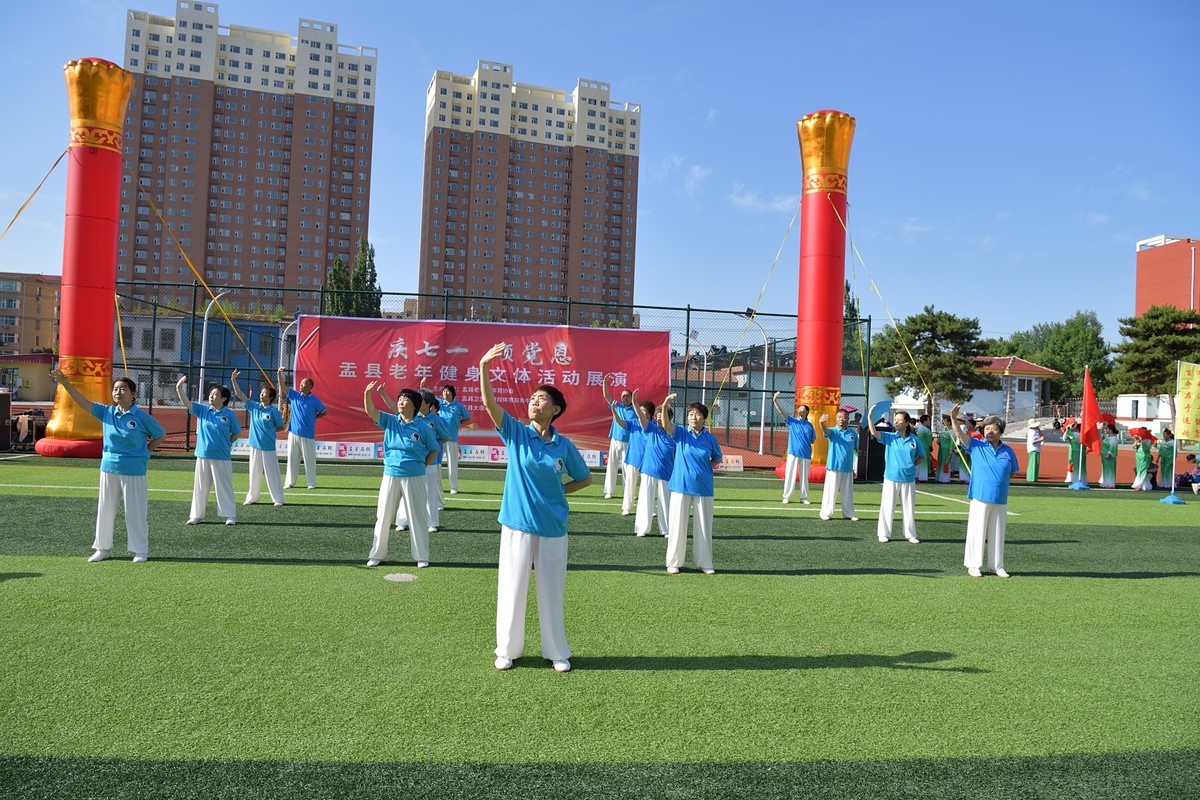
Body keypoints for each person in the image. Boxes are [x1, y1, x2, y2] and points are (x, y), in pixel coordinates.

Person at [479, 342, 591, 673]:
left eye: (541, 399)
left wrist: (559, 492)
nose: (533, 403)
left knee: (551, 591)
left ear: (556, 409)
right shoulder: (515, 432)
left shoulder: (563, 445)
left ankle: (556, 651)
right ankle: (507, 650)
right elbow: (489, 403)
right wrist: (485, 365)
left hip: (553, 527)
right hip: (516, 524)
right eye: (531, 399)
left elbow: (584, 479)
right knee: (512, 588)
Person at [50, 370, 166, 562]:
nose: (118, 392)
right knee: (105, 510)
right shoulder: (107, 412)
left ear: (133, 394)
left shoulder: (141, 417)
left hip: (133, 469)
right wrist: (66, 384)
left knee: (135, 511)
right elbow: (83, 403)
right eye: (115, 389)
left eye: (123, 389)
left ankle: (140, 550)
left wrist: (146, 452)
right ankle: (102, 549)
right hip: (109, 468)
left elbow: (161, 435)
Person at [363, 383, 437, 568]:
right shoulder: (390, 420)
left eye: (405, 399)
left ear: (415, 405)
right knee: (384, 516)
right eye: (399, 399)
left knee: (417, 516)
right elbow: (371, 411)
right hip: (390, 474)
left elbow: (434, 449)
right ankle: (377, 554)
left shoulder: (422, 426)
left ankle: (422, 556)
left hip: (415, 476)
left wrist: (421, 465)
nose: (401, 402)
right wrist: (367, 393)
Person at [948, 405, 1019, 578]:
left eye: (994, 429)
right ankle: (974, 565)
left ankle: (997, 566)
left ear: (1000, 432)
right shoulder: (976, 445)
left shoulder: (1008, 450)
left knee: (997, 532)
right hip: (980, 496)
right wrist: (953, 418)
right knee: (977, 531)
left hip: (1000, 498)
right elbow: (959, 435)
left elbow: (1012, 472)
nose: (989, 432)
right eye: (987, 429)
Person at [660, 393, 723, 574]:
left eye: (696, 414)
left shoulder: (710, 439)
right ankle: (673, 562)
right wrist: (665, 405)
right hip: (680, 485)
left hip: (703, 487)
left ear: (704, 418)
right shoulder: (680, 432)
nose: (692, 417)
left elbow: (716, 458)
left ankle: (705, 563)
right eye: (690, 414)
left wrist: (704, 469)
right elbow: (666, 424)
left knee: (703, 526)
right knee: (677, 525)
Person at [175, 376, 241, 526]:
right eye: (211, 394)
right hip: (203, 455)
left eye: (215, 394)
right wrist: (179, 388)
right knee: (200, 487)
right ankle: (196, 515)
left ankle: (229, 515)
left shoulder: (229, 414)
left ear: (224, 398)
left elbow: (236, 433)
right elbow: (187, 403)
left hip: (221, 456)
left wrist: (226, 443)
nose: (211, 396)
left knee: (224, 486)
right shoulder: (203, 410)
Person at [393, 389, 451, 533]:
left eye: (421, 401)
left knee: (430, 493)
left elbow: (446, 436)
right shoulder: (412, 417)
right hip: (413, 461)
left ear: (429, 404)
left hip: (430, 462)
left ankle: (431, 523)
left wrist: (432, 443)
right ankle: (402, 521)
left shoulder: (435, 420)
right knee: (406, 491)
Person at [868, 405, 926, 544]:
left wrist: (911, 465)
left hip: (908, 478)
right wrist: (870, 418)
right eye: (895, 419)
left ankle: (910, 534)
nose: (896, 422)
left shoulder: (914, 440)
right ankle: (884, 533)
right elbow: (875, 433)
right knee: (887, 506)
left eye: (899, 420)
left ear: (907, 423)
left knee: (909, 507)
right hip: (891, 477)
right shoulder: (890, 437)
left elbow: (922, 456)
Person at [231, 369, 286, 507]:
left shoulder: (274, 412)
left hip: (268, 447)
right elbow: (240, 394)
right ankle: (252, 497)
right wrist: (233, 380)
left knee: (272, 473)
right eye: (261, 393)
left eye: (264, 393)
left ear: (270, 397)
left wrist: (269, 431)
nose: (261, 395)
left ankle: (278, 498)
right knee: (254, 473)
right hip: (255, 445)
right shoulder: (254, 406)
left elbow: (281, 427)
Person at [279, 367, 327, 490]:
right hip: (293, 433)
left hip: (308, 434)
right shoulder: (294, 395)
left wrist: (314, 418)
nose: (301, 385)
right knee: (292, 458)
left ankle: (311, 483)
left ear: (310, 386)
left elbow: (324, 412)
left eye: (304, 383)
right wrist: (279, 374)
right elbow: (283, 387)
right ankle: (290, 482)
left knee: (309, 460)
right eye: (300, 383)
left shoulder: (315, 400)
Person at [634, 402, 673, 538]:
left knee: (665, 501)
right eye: (657, 416)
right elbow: (640, 416)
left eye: (662, 416)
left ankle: (667, 529)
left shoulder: (675, 433)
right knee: (645, 499)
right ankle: (642, 528)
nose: (659, 419)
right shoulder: (651, 428)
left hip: (666, 473)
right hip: (648, 470)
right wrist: (634, 402)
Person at [773, 392, 815, 504]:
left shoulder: (810, 425)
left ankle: (804, 498)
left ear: (806, 411)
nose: (799, 410)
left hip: (806, 454)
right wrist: (775, 401)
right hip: (793, 453)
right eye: (798, 409)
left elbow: (812, 440)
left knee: (804, 477)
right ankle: (786, 496)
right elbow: (782, 413)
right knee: (790, 475)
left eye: (801, 409)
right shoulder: (792, 421)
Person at [601, 375, 638, 503]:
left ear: (631, 397)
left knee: (627, 469)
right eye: (623, 396)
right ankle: (609, 491)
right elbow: (607, 396)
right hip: (615, 440)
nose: (625, 398)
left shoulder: (636, 410)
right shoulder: (617, 406)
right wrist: (605, 383)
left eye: (627, 396)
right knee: (612, 465)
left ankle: (628, 492)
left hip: (629, 442)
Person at [818, 408, 859, 521]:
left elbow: (856, 448)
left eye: (844, 417)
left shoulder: (853, 434)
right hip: (834, 466)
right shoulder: (833, 431)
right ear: (836, 419)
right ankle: (826, 512)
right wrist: (821, 423)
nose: (842, 419)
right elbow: (826, 432)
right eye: (839, 417)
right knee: (831, 491)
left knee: (847, 493)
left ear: (848, 419)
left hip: (847, 467)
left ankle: (849, 513)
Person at [438, 384, 472, 494]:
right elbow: (426, 402)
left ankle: (453, 487)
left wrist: (459, 423)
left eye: (447, 391)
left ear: (453, 393)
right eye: (443, 391)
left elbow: (468, 418)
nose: (445, 393)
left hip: (452, 439)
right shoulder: (438, 404)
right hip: (439, 439)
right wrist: (422, 386)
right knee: (436, 464)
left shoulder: (458, 406)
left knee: (452, 464)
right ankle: (436, 486)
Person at [936, 414, 964, 484]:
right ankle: (938, 477)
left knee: (945, 463)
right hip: (941, 449)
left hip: (947, 449)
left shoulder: (952, 431)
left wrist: (951, 449)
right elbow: (939, 437)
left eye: (945, 421)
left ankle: (944, 479)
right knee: (940, 462)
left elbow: (953, 441)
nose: (943, 422)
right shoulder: (943, 429)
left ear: (949, 422)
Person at [1098, 423, 1119, 489]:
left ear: (1111, 430)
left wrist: (1109, 454)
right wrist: (1102, 427)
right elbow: (1100, 436)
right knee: (1105, 470)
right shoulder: (1107, 436)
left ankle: (1111, 484)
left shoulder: (1113, 438)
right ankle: (1105, 483)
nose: (1105, 429)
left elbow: (1112, 447)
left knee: (1110, 470)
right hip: (1104, 456)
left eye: (1107, 428)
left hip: (1109, 456)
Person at [915, 414, 934, 483]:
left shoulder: (925, 429)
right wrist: (924, 447)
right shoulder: (921, 429)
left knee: (925, 463)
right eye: (928, 420)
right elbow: (920, 439)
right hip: (923, 448)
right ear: (925, 421)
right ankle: (918, 477)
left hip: (926, 448)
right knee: (920, 463)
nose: (929, 422)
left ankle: (923, 477)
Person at [1062, 419, 1082, 484]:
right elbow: (1064, 438)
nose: (1074, 426)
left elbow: (1071, 434)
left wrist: (1070, 428)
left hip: (1078, 451)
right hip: (1072, 451)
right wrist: (1067, 429)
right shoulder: (1071, 434)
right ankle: (1070, 478)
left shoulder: (1078, 434)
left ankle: (1076, 478)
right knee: (1070, 464)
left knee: (1076, 465)